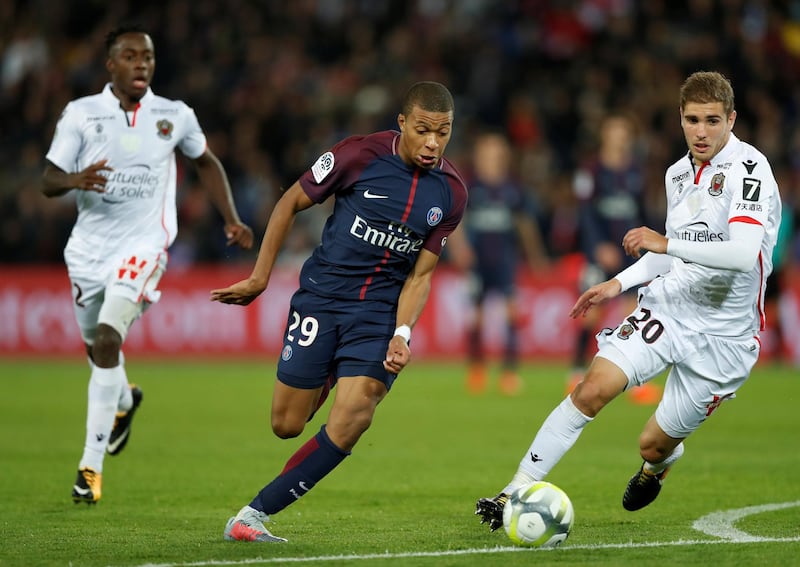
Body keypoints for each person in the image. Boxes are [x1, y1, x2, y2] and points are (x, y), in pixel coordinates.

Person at [474, 71, 781, 531]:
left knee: (653, 443)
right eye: (692, 120)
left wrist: (667, 244)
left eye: (713, 121)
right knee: (591, 389)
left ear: (731, 120)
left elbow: (739, 255)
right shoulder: (677, 174)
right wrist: (615, 285)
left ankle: (656, 468)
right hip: (671, 308)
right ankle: (513, 490)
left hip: (725, 336)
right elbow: (668, 258)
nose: (701, 131)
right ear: (680, 119)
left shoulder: (750, 171)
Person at [211, 81, 467, 543]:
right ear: (403, 123)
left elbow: (421, 277)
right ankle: (331, 371)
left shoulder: (451, 193)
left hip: (378, 317)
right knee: (286, 425)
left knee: (354, 415)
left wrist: (403, 333)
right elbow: (291, 200)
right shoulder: (357, 155)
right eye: (424, 130)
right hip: (322, 300)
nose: (433, 143)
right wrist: (261, 277)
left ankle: (252, 517)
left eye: (444, 133)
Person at [41, 24, 254, 505]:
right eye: (130, 56)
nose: (141, 63)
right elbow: (48, 180)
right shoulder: (81, 114)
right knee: (98, 351)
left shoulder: (173, 115)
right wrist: (77, 178)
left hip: (145, 246)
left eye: (148, 57)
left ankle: (89, 471)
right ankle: (124, 400)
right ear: (110, 64)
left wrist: (232, 218)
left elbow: (206, 162)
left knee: (109, 338)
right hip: (87, 253)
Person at [568, 113, 662, 405]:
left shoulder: (636, 172)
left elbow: (641, 212)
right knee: (592, 313)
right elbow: (584, 214)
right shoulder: (591, 172)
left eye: (624, 133)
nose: (620, 138)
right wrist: (597, 246)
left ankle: (632, 379)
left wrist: (651, 243)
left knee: (633, 314)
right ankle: (575, 371)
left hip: (631, 254)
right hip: (601, 252)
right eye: (615, 132)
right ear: (605, 136)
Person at [448, 131, 548, 396]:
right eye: (486, 153)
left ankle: (509, 372)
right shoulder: (469, 186)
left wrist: (535, 256)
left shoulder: (513, 189)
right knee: (476, 317)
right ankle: (477, 369)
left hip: (504, 259)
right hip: (477, 261)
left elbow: (525, 224)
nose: (490, 159)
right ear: (478, 157)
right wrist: (460, 249)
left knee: (512, 312)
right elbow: (455, 222)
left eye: (495, 153)